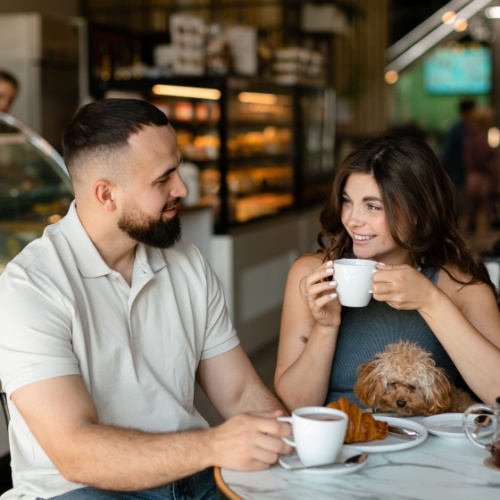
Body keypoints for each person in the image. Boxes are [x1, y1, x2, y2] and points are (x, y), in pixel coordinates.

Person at [0, 98, 291, 500]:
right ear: (106, 195)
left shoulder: (186, 262)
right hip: (81, 490)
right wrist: (215, 445)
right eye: (163, 179)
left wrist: (293, 439)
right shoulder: (29, 287)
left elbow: (240, 393)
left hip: (193, 476)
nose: (183, 189)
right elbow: (76, 452)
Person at [274, 134, 500, 412]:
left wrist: (431, 301)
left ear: (417, 211)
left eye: (372, 206)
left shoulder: (459, 285)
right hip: (337, 444)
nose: (352, 220)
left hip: (425, 451)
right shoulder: (312, 275)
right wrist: (326, 327)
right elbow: (293, 405)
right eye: (347, 201)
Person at [463, 105, 500, 234]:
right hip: (482, 180)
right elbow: (485, 161)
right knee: (483, 212)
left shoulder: (471, 138)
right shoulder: (479, 139)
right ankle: (481, 241)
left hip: (474, 179)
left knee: (471, 210)